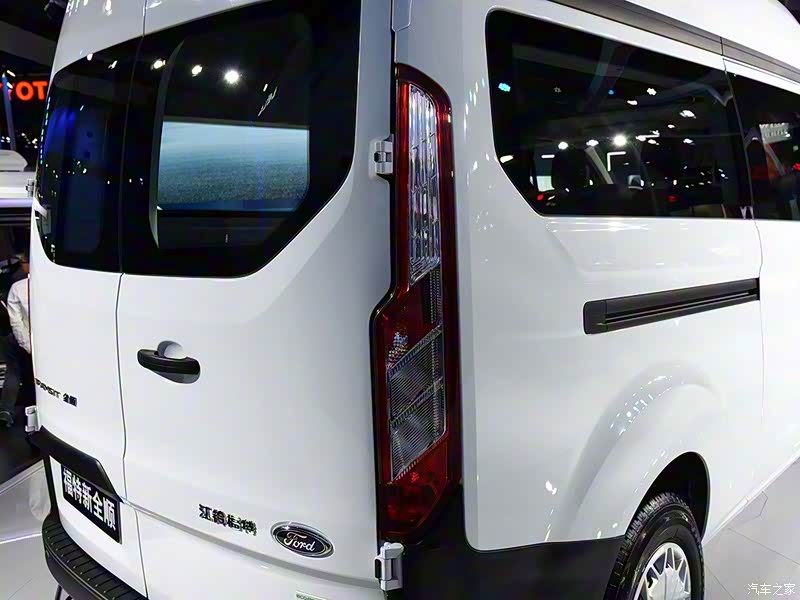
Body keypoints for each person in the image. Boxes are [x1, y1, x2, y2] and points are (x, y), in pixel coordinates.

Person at [0, 251, 31, 428]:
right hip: (40, 341)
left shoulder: (17, 288)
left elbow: (16, 321)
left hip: (19, 338)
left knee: (13, 371)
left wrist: (25, 343)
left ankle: (6, 410)